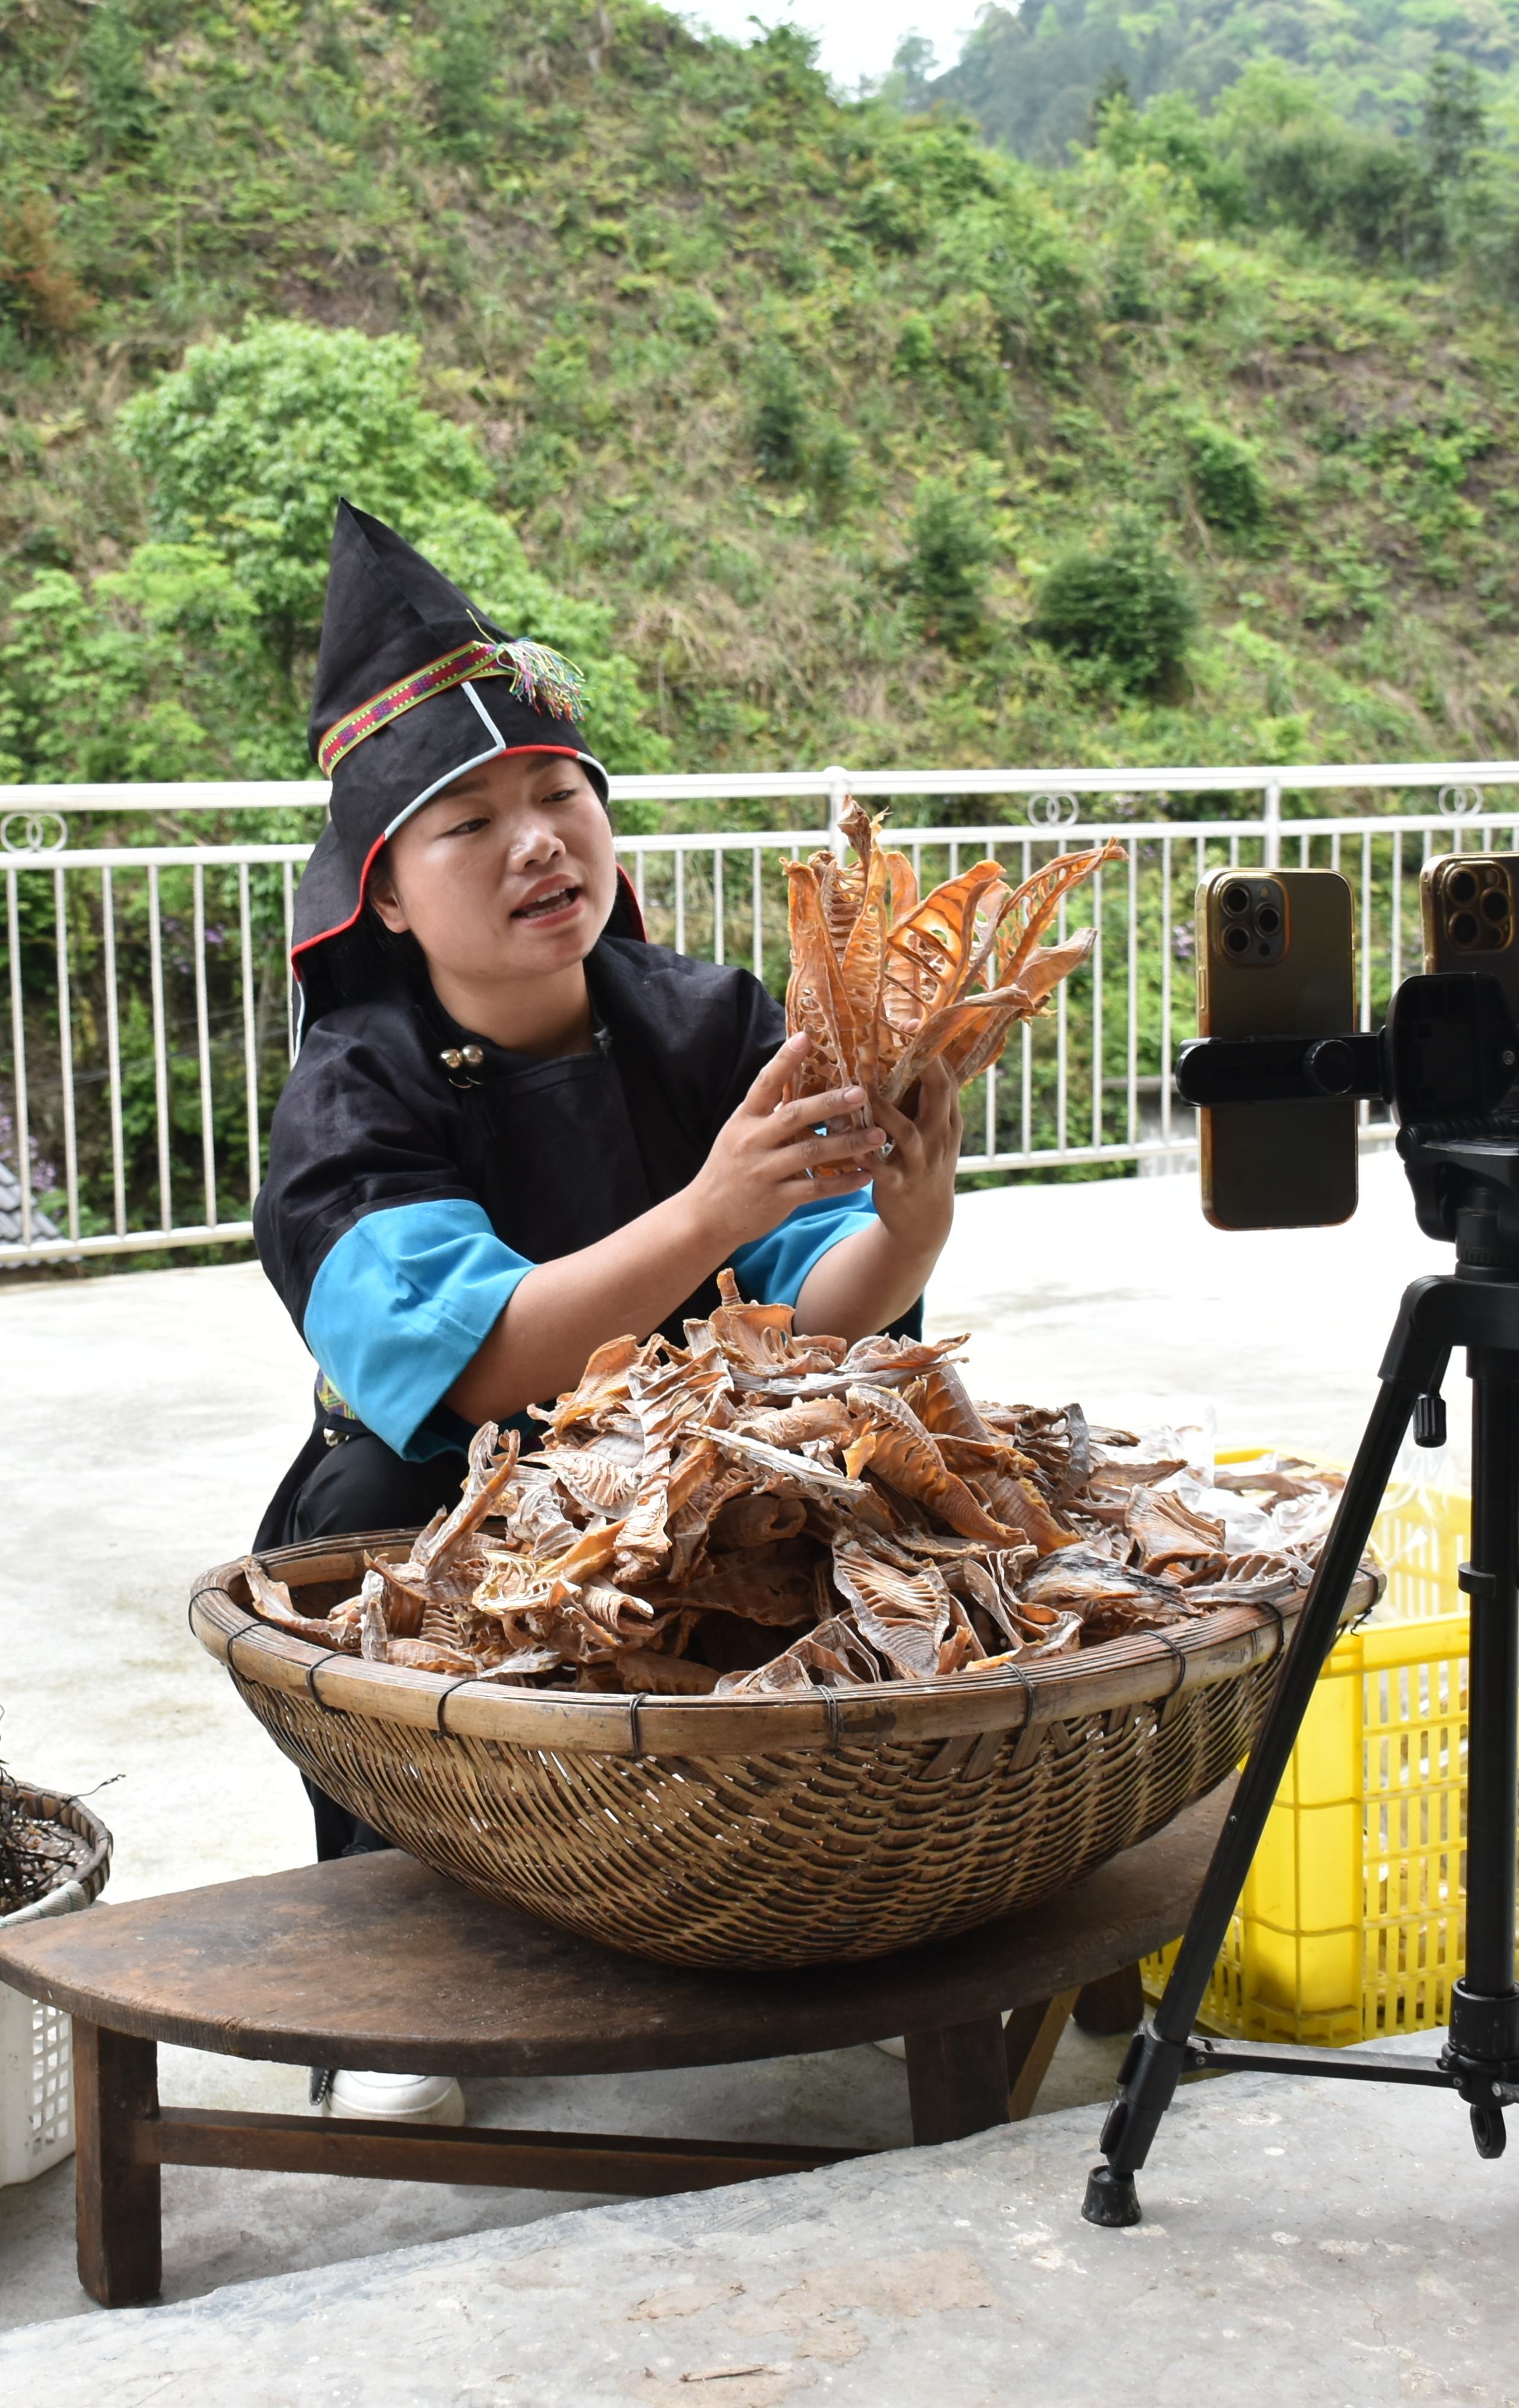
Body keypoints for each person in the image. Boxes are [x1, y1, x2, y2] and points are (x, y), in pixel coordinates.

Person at [249, 505, 966, 2120]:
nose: (536, 842)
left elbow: (819, 1320)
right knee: (385, 1603)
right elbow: (479, 1357)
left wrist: (910, 1218)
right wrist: (713, 1213)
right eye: (468, 822)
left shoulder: (711, 1020)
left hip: (706, 1475)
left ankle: (770, 1905)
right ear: (381, 897)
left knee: (881, 1458)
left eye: (560, 794)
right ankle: (398, 1993)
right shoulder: (355, 1091)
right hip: (443, 1497)